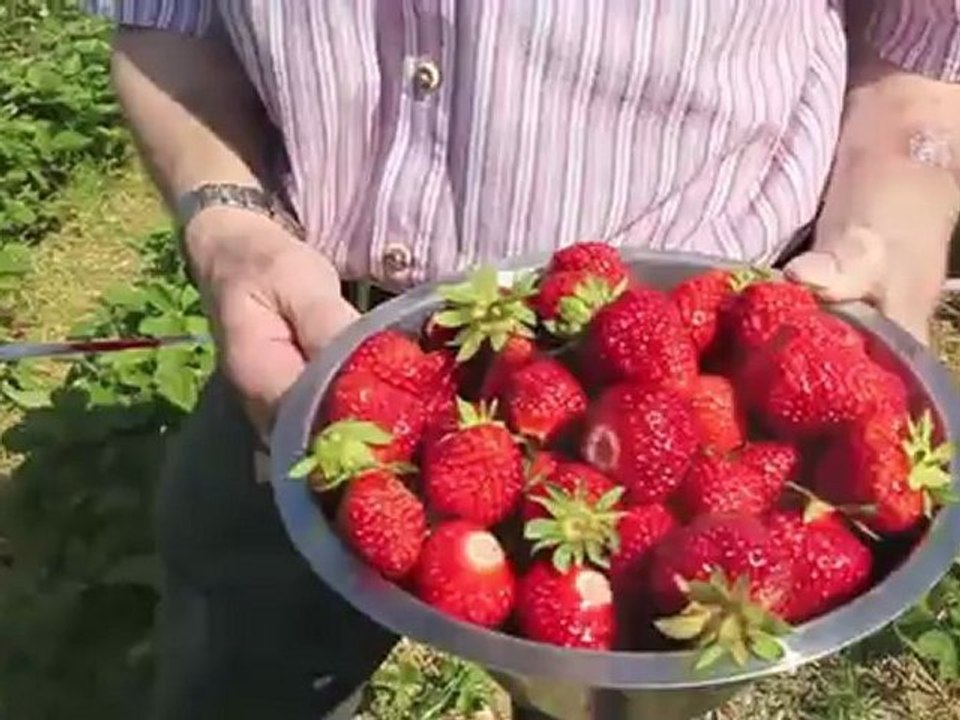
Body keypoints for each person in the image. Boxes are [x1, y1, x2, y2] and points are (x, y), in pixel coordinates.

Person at [84, 1, 960, 718]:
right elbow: (172, 22)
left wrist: (882, 239)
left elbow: (920, 60)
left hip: (715, 355)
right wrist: (229, 221)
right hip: (321, 341)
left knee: (595, 699)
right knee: (245, 645)